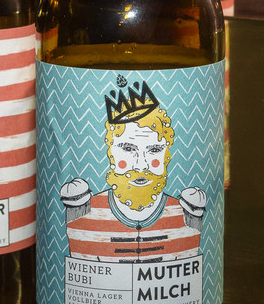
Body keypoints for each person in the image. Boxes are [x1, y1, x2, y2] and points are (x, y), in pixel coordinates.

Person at [61, 83, 207, 263]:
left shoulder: (186, 215)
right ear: (111, 153)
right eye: (128, 149)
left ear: (166, 155)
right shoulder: (85, 212)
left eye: (154, 150)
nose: (141, 166)